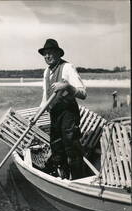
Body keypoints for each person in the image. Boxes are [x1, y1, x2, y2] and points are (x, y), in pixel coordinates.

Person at [38, 38, 87, 180]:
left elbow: (83, 93)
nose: (47, 56)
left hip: (68, 114)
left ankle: (79, 181)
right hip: (54, 114)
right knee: (57, 148)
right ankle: (63, 179)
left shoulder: (67, 67)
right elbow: (44, 99)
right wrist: (36, 117)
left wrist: (67, 86)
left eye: (50, 52)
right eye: (45, 54)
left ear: (58, 53)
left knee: (72, 148)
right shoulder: (46, 72)